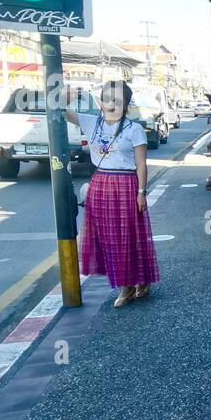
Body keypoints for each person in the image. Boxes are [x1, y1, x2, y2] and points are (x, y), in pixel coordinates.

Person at [65, 80, 160, 307]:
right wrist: (73, 92)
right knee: (108, 239)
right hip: (101, 184)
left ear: (125, 103)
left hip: (126, 185)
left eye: (117, 100)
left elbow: (141, 164)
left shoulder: (134, 129)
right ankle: (128, 283)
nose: (111, 104)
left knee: (128, 237)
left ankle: (134, 284)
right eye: (107, 98)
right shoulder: (91, 122)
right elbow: (60, 112)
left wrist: (141, 192)